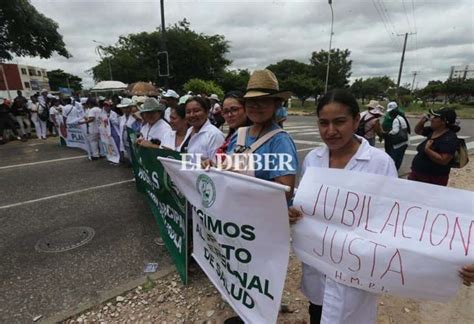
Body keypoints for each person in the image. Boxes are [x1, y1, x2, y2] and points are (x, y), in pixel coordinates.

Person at [288, 89, 397, 324]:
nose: (330, 131)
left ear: (356, 120)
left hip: (356, 270)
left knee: (351, 315)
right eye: (323, 123)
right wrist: (294, 213)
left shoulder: (379, 164)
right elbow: (306, 205)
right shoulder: (313, 160)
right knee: (317, 311)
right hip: (318, 263)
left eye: (339, 122)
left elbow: (394, 221)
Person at [225, 69, 298, 202]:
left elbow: (285, 192)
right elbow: (226, 168)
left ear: (276, 104)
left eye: (263, 101)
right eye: (251, 101)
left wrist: (241, 183)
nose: (255, 106)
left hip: (260, 218)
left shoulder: (280, 141)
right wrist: (214, 166)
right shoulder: (239, 134)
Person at [408, 107, 460, 186]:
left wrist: (428, 150)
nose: (432, 119)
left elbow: (444, 160)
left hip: (432, 179)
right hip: (417, 174)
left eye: (435, 117)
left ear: (443, 121)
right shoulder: (433, 130)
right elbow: (418, 131)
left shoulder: (449, 138)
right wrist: (422, 122)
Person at [180, 96, 225, 163]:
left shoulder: (214, 135)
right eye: (188, 112)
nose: (192, 115)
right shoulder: (190, 130)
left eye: (196, 111)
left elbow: (216, 165)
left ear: (206, 112)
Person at [384, 102, 410, 170]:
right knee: (400, 158)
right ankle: (396, 169)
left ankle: (392, 171)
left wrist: (388, 133)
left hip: (398, 143)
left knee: (393, 158)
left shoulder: (396, 120)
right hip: (405, 141)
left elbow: (395, 131)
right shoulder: (401, 117)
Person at [116, 97, 137, 163]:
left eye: (127, 107)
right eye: (124, 108)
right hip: (125, 141)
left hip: (133, 141)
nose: (125, 109)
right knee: (130, 157)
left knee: (135, 157)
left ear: (130, 108)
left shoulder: (135, 117)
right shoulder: (121, 118)